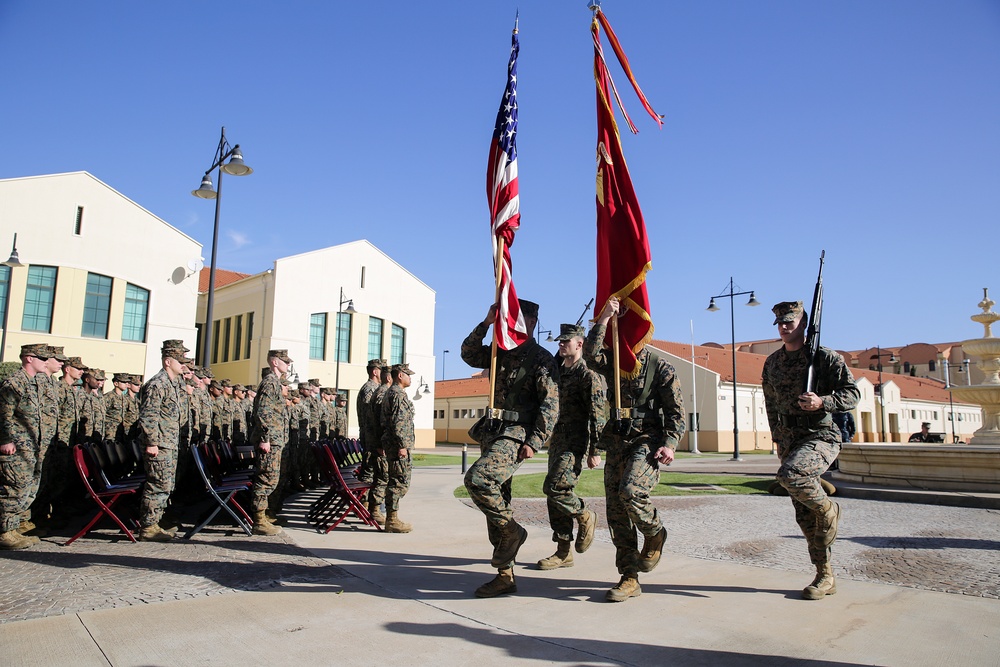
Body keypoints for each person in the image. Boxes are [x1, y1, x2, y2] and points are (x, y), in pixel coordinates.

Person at [585, 296, 686, 602]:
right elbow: (590, 356)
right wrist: (603, 318)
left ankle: (655, 532)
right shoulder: (612, 362)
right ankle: (629, 577)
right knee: (616, 513)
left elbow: (677, 414)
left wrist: (670, 444)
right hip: (617, 441)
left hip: (647, 441)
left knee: (631, 492)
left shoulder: (661, 368)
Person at [762, 300, 860, 601]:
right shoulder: (773, 363)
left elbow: (852, 394)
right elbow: (770, 404)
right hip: (790, 437)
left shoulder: (824, 357)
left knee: (790, 475)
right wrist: (778, 439)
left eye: (788, 322)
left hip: (820, 433)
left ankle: (830, 508)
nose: (783, 328)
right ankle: (825, 574)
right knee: (804, 516)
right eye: (779, 323)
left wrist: (823, 402)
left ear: (803, 323)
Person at [461, 299, 559, 598]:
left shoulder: (541, 358)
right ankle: (505, 575)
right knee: (497, 499)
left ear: (532, 322)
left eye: (521, 319)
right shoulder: (499, 350)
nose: (515, 323)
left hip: (517, 432)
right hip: (492, 429)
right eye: (510, 318)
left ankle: (514, 530)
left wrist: (535, 440)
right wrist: (486, 323)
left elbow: (550, 405)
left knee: (478, 479)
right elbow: (468, 354)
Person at [538, 323, 608, 571]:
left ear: (580, 344)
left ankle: (585, 515)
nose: (560, 345)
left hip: (576, 441)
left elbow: (597, 414)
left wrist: (595, 450)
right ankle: (563, 552)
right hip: (557, 439)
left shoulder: (588, 375)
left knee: (555, 487)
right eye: (559, 341)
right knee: (553, 497)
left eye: (565, 341)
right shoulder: (558, 372)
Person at [136, 340, 191, 542]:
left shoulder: (174, 384)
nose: (183, 364)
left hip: (170, 443)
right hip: (159, 445)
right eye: (180, 360)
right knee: (157, 484)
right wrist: (152, 442)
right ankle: (148, 527)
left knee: (166, 484)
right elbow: (148, 416)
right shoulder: (157, 384)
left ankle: (155, 522)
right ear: (168, 361)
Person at [0, 344, 51, 549]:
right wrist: (5, 440)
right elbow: (3, 414)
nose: (46, 361)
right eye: (41, 358)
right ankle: (3, 532)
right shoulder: (14, 383)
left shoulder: (33, 383)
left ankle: (12, 528)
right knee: (13, 488)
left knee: (27, 489)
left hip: (31, 447)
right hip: (16, 447)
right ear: (29, 358)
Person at [248, 350, 293, 536]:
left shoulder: (274, 382)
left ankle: (265, 514)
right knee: (266, 478)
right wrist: (265, 438)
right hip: (270, 441)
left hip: (276, 440)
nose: (288, 365)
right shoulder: (269, 383)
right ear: (275, 362)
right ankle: (258, 520)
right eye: (285, 361)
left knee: (272, 478)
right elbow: (263, 412)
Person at [379, 363, 416, 533]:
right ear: (400, 375)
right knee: (399, 481)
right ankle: (392, 520)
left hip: (393, 443)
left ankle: (391, 517)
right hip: (397, 446)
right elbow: (398, 423)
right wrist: (402, 445)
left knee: (397, 480)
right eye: (408, 375)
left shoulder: (391, 393)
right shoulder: (398, 394)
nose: (410, 378)